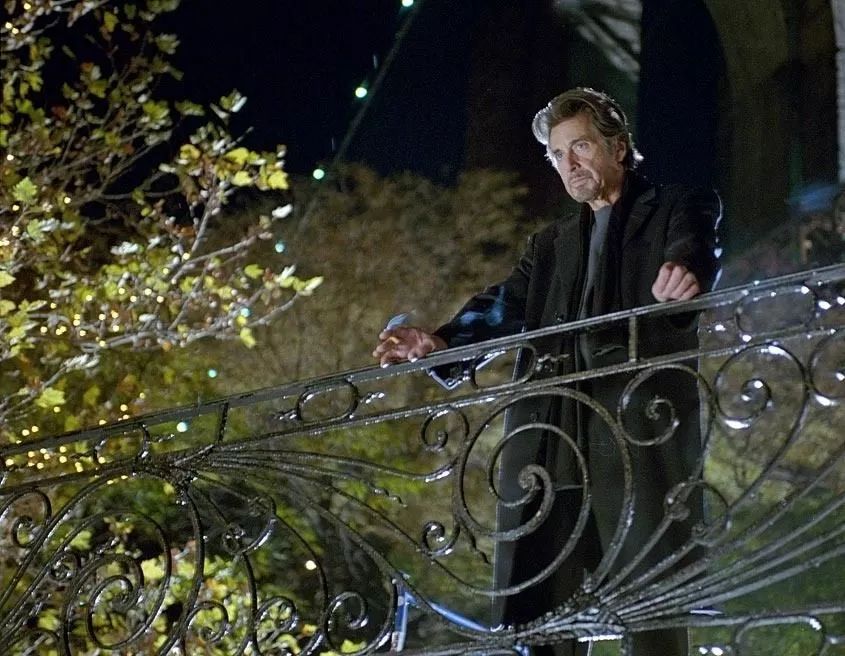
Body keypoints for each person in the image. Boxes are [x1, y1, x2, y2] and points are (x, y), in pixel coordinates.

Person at [372, 87, 721, 656]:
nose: (569, 164)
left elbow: (694, 243)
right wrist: (440, 340)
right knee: (543, 614)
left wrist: (686, 269)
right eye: (558, 154)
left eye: (580, 146)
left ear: (618, 147)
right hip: (549, 447)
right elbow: (503, 307)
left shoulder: (678, 205)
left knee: (650, 607)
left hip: (636, 432)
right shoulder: (550, 244)